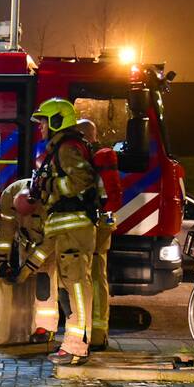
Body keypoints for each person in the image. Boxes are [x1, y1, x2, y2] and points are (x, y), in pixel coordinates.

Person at [25, 98, 98, 365]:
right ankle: (73, 344)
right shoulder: (62, 148)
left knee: (77, 288)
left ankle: (76, 347)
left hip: (73, 229)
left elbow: (83, 180)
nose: (41, 127)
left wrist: (49, 186)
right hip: (68, 230)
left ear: (57, 121)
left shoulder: (66, 149)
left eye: (44, 121)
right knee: (71, 288)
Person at [76, 119, 120, 351]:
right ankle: (97, 332)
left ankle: (95, 334)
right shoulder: (99, 157)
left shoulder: (90, 158)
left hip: (95, 223)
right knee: (96, 276)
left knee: (92, 276)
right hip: (102, 222)